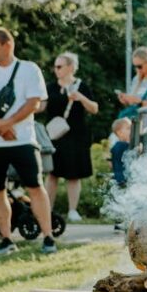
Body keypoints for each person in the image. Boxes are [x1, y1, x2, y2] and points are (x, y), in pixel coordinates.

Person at [0, 28, 56, 255]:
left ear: (8, 45)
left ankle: (48, 236)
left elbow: (33, 103)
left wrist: (8, 123)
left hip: (23, 140)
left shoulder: (29, 69)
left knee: (35, 186)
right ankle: (6, 238)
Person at [43, 52, 98, 222]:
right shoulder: (50, 87)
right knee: (52, 173)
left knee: (74, 175)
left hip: (76, 136)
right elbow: (41, 106)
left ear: (71, 67)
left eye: (60, 66)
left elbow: (94, 109)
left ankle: (72, 210)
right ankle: (47, 210)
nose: (56, 70)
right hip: (54, 135)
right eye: (55, 66)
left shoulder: (81, 86)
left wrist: (80, 97)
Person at [110, 117, 132, 188]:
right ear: (120, 133)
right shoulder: (123, 145)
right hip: (123, 176)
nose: (132, 130)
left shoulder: (117, 145)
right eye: (128, 128)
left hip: (119, 176)